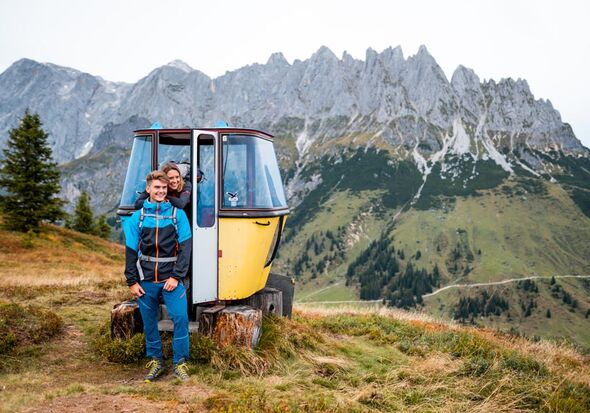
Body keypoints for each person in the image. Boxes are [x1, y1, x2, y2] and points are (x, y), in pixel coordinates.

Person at [123, 170, 192, 382]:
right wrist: (132, 281)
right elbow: (131, 251)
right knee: (149, 322)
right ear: (148, 189)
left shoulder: (177, 214)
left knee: (180, 319)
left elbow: (186, 249)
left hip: (171, 279)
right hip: (145, 281)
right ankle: (156, 362)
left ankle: (180, 362)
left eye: (164, 188)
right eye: (156, 188)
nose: (161, 191)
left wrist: (176, 277)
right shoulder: (138, 217)